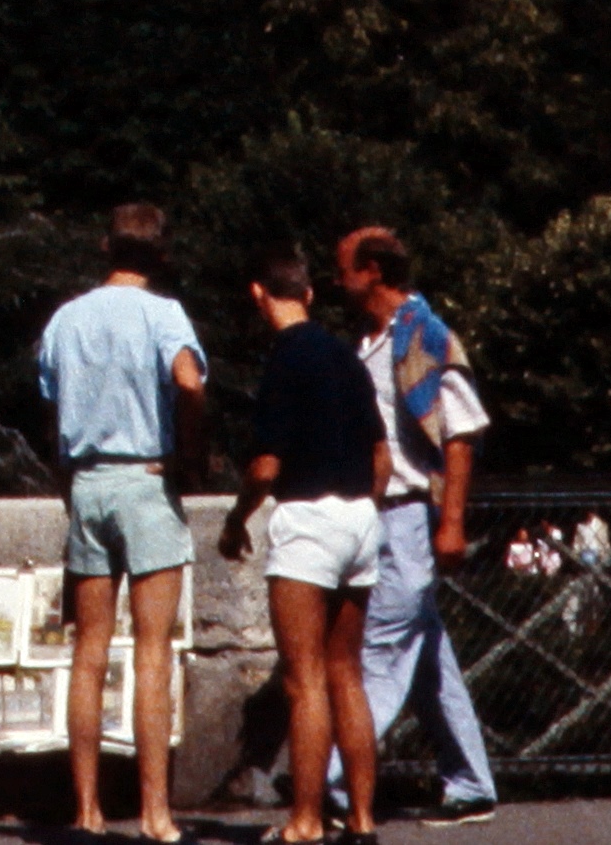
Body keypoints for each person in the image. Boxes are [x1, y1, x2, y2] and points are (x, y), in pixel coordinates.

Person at [37, 204, 211, 841]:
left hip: (87, 481)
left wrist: (70, 481)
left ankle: (86, 810)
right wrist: (191, 453)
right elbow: (189, 383)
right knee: (152, 653)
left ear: (106, 246)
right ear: (160, 254)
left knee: (87, 654)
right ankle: (156, 814)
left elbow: (52, 412)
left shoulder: (66, 318)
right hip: (144, 477)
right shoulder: (164, 314)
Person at [334, 225, 498, 822]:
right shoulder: (370, 344)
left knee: (379, 651)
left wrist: (451, 522)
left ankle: (330, 781)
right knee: (427, 658)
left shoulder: (425, 336)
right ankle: (471, 784)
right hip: (382, 516)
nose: (337, 279)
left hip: (408, 516)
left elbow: (459, 433)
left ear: (373, 270)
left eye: (345, 268)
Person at [223, 251, 384, 845]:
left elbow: (266, 466)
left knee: (304, 679)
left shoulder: (283, 361)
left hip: (308, 517)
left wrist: (237, 518)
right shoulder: (346, 355)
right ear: (310, 295)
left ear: (258, 293)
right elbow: (381, 456)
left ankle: (305, 821)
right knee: (348, 674)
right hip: (361, 516)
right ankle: (363, 818)